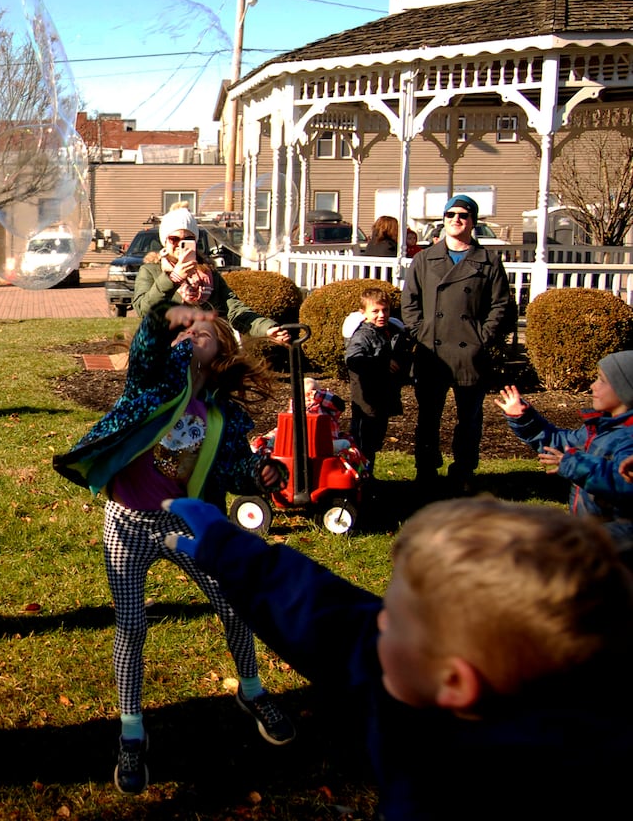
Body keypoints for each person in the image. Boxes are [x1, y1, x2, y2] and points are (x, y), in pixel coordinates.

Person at [159, 494, 633, 819]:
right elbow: (341, 624)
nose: (379, 619)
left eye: (395, 616)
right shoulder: (451, 674)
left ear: (455, 682)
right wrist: (239, 557)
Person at [52, 304, 296, 796]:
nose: (190, 336)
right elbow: (144, 353)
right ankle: (132, 731)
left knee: (232, 601)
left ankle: (251, 692)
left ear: (222, 353)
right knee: (132, 627)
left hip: (181, 524)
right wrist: (168, 313)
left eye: (202, 333)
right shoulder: (157, 384)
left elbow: (232, 470)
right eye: (186, 331)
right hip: (125, 524)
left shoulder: (224, 417)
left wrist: (264, 474)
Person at [401, 195, 514, 490]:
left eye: (463, 215)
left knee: (470, 418)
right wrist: (421, 332)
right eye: (450, 214)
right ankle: (425, 469)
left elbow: (501, 306)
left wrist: (482, 337)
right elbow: (409, 303)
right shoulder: (424, 259)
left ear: (473, 222)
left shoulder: (488, 261)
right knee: (428, 418)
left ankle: (464, 469)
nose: (456, 219)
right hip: (432, 351)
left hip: (470, 352)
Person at [496, 351, 633, 556]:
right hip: (594, 535)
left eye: (602, 381)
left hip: (618, 544)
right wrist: (524, 418)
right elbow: (560, 443)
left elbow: (624, 482)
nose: (593, 386)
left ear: (625, 390)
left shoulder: (628, 439)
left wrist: (574, 464)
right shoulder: (600, 428)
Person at [129, 207, 291, 345]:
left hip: (204, 351)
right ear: (165, 241)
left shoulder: (209, 274)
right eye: (174, 239)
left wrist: (267, 328)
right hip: (164, 350)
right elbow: (144, 310)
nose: (180, 244)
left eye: (188, 239)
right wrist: (173, 278)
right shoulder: (151, 271)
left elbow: (235, 310)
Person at [342, 285, 413, 473]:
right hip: (367, 400)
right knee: (362, 442)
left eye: (385, 310)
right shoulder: (362, 335)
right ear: (363, 313)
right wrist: (382, 363)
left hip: (384, 398)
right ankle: (359, 480)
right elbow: (353, 360)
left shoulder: (391, 332)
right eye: (375, 311)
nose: (381, 315)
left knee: (374, 441)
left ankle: (367, 477)